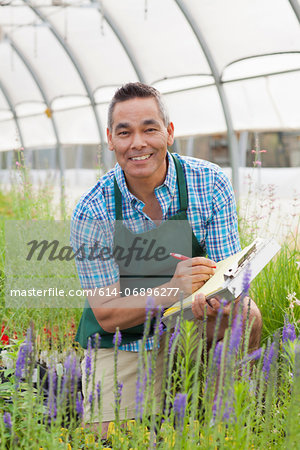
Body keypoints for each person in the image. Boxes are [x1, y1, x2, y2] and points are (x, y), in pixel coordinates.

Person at [70, 82, 262, 433]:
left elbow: (230, 280)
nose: (138, 143)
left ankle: (220, 427)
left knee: (246, 314)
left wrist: (216, 300)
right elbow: (108, 313)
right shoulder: (92, 210)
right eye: (125, 133)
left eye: (150, 129)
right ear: (110, 139)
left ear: (169, 133)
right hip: (125, 337)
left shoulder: (208, 183)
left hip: (189, 321)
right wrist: (172, 289)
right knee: (118, 437)